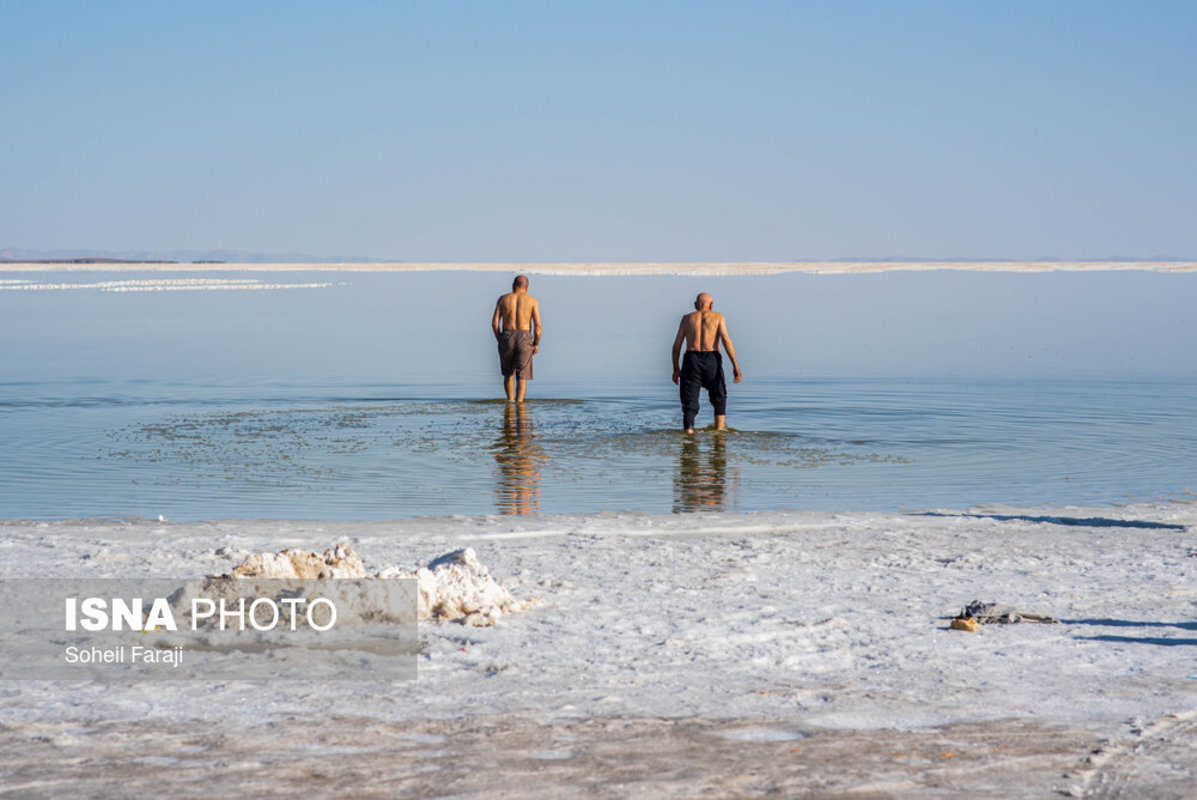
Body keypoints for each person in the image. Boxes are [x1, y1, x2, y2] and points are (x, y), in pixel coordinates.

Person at [671, 292, 742, 433]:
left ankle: (689, 432)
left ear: (696, 305)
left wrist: (676, 368)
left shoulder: (687, 319)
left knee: (689, 401)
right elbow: (726, 341)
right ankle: (719, 431)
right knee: (719, 397)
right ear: (711, 305)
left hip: (691, 359)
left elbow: (676, 346)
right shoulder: (718, 317)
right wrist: (735, 366)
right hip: (712, 359)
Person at [492, 275, 542, 402]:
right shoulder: (532, 301)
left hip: (506, 335)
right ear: (527, 287)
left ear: (513, 285)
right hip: (524, 337)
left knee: (508, 374)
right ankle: (520, 404)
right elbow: (538, 326)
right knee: (522, 376)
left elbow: (494, 323)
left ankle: (510, 402)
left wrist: (500, 339)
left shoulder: (503, 299)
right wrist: (536, 344)